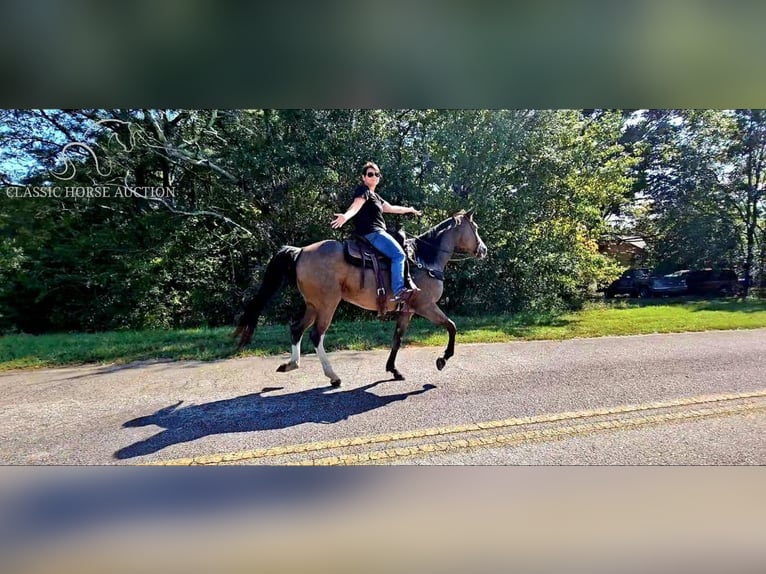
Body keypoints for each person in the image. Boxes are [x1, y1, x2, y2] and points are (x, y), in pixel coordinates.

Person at [331, 161, 422, 302]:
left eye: (377, 174)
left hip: (377, 232)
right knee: (399, 255)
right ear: (363, 177)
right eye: (370, 174)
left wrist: (409, 210)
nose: (374, 177)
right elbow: (355, 206)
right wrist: (345, 216)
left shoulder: (376, 197)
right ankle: (399, 291)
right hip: (373, 232)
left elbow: (392, 208)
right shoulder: (364, 191)